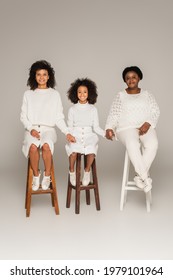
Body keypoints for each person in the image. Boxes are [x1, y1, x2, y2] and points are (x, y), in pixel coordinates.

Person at [20, 60, 75, 191]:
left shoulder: (54, 94)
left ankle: (47, 175)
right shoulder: (28, 94)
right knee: (32, 147)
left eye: (44, 74)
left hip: (48, 129)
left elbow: (58, 117)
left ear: (49, 76)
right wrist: (31, 129)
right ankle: (36, 175)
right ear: (34, 76)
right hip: (32, 128)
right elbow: (23, 116)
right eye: (38, 74)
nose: (42, 77)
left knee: (46, 146)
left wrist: (66, 132)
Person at [105, 66, 160, 193]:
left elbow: (155, 111)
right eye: (128, 78)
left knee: (153, 144)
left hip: (144, 127)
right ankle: (145, 177)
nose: (131, 80)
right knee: (132, 143)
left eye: (134, 77)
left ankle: (138, 177)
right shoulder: (120, 96)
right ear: (125, 81)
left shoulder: (147, 95)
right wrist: (109, 128)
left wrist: (148, 123)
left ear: (139, 78)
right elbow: (114, 114)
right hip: (126, 128)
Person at [65, 78, 105, 186]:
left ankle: (87, 171)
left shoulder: (93, 109)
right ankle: (72, 171)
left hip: (89, 134)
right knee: (73, 151)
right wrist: (69, 135)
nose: (82, 94)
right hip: (75, 134)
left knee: (91, 150)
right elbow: (69, 126)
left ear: (89, 93)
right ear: (75, 93)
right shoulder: (72, 109)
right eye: (79, 92)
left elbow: (96, 127)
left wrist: (105, 134)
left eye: (85, 92)